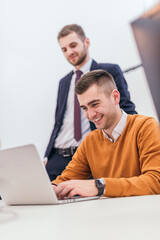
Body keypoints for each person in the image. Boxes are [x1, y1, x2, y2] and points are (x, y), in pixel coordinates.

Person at [45, 24, 137, 181]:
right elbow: (58, 122)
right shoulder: (64, 82)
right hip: (57, 157)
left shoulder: (109, 71)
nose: (69, 52)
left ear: (86, 42)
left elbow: (126, 108)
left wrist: (132, 147)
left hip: (91, 155)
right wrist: (47, 155)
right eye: (64, 49)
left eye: (73, 45)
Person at [52, 70, 160, 198]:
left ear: (115, 97)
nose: (90, 115)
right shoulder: (90, 141)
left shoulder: (145, 127)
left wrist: (100, 186)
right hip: (107, 214)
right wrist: (51, 188)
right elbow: (65, 180)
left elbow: (155, 181)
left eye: (95, 104)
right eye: (85, 108)